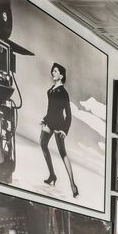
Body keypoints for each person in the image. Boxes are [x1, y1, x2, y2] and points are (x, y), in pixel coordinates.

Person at [40, 63, 79, 199]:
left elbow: (68, 114)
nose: (53, 73)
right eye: (52, 71)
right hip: (49, 122)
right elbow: (51, 108)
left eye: (55, 71)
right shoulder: (51, 89)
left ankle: (73, 185)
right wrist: (44, 120)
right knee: (43, 144)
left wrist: (64, 130)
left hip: (58, 125)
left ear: (61, 75)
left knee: (63, 153)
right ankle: (52, 175)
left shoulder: (63, 93)